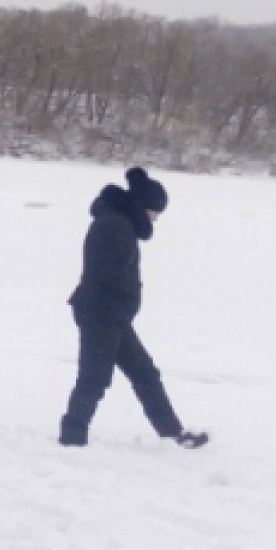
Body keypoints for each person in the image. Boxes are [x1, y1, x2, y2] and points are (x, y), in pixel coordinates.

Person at [59, 166, 208, 449]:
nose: (156, 218)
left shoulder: (120, 223)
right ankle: (72, 436)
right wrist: (125, 299)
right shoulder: (114, 226)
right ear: (142, 206)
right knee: (95, 377)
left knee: (145, 374)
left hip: (112, 314)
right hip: (101, 313)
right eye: (155, 211)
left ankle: (172, 433)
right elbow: (105, 272)